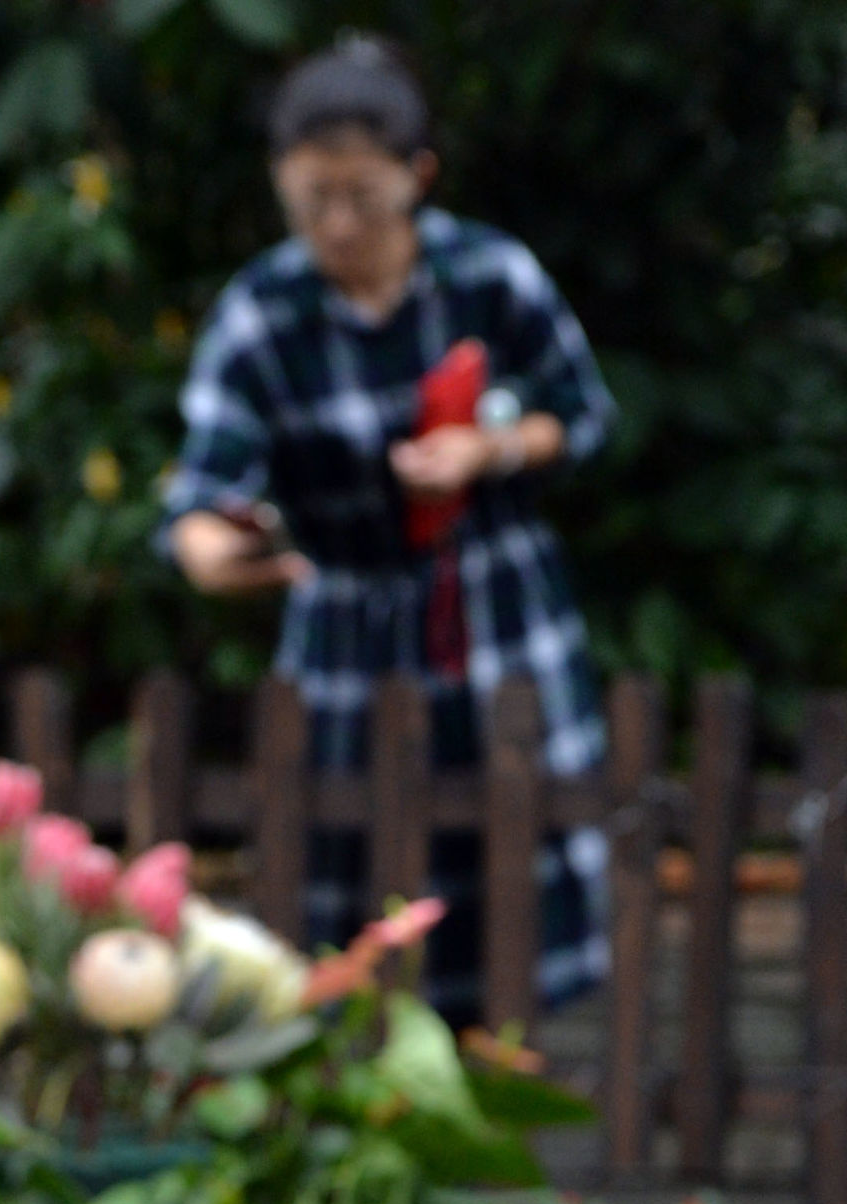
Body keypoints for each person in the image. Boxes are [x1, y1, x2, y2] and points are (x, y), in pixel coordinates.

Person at [162, 35, 616, 1019]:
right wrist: (217, 553)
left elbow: (581, 415)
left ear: (417, 176)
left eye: (362, 196)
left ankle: (509, 1061)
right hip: (344, 620)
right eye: (311, 198)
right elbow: (202, 494)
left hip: (496, 607)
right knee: (344, 876)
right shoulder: (262, 312)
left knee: (513, 855)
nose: (336, 222)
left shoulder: (487, 273)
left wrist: (488, 450)